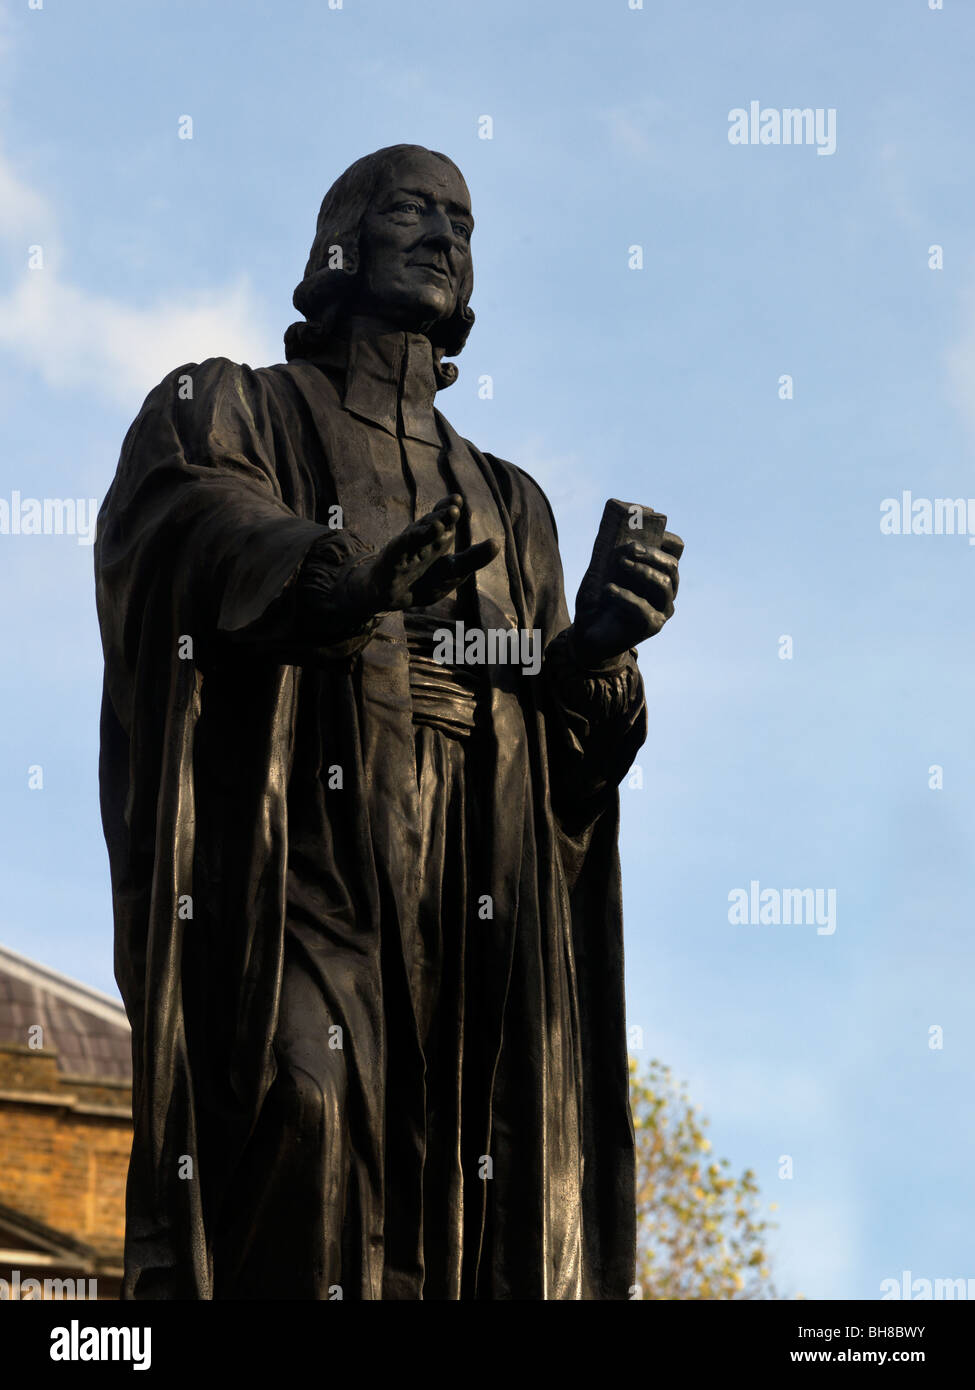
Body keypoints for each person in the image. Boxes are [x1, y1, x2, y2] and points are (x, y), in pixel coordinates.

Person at [95, 144, 682, 1300]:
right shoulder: (242, 406)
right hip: (306, 840)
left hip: (479, 862)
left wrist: (598, 648)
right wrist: (337, 577)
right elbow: (185, 522)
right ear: (341, 241)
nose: (443, 235)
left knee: (476, 1184)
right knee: (308, 1107)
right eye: (413, 207)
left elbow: (565, 748)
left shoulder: (514, 502)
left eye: (463, 221)